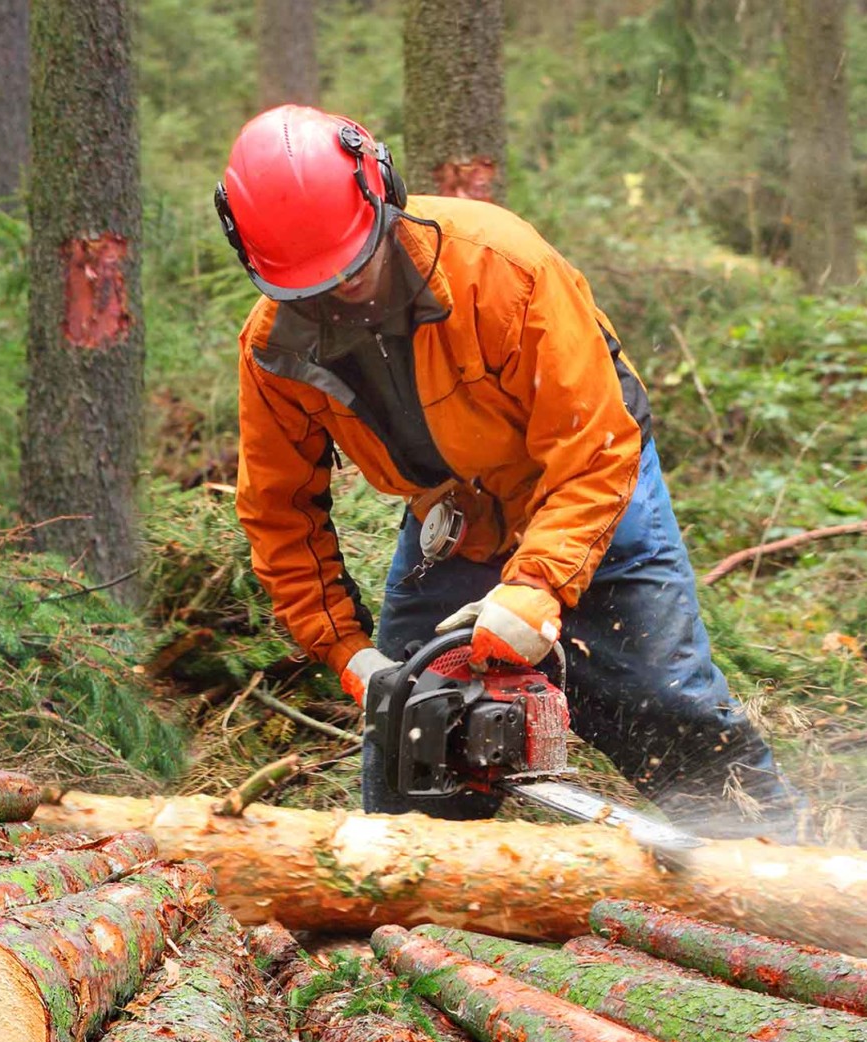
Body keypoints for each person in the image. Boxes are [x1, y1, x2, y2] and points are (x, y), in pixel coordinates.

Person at [216, 104, 805, 841]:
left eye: (355, 264)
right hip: (455, 517)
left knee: (664, 700)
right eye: (314, 286)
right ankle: (422, 925)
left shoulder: (501, 268)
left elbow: (593, 445)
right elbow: (280, 512)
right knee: (410, 734)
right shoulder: (275, 347)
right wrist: (347, 651)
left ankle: (781, 865)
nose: (343, 293)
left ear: (383, 192)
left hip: (589, 484)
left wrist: (535, 592)